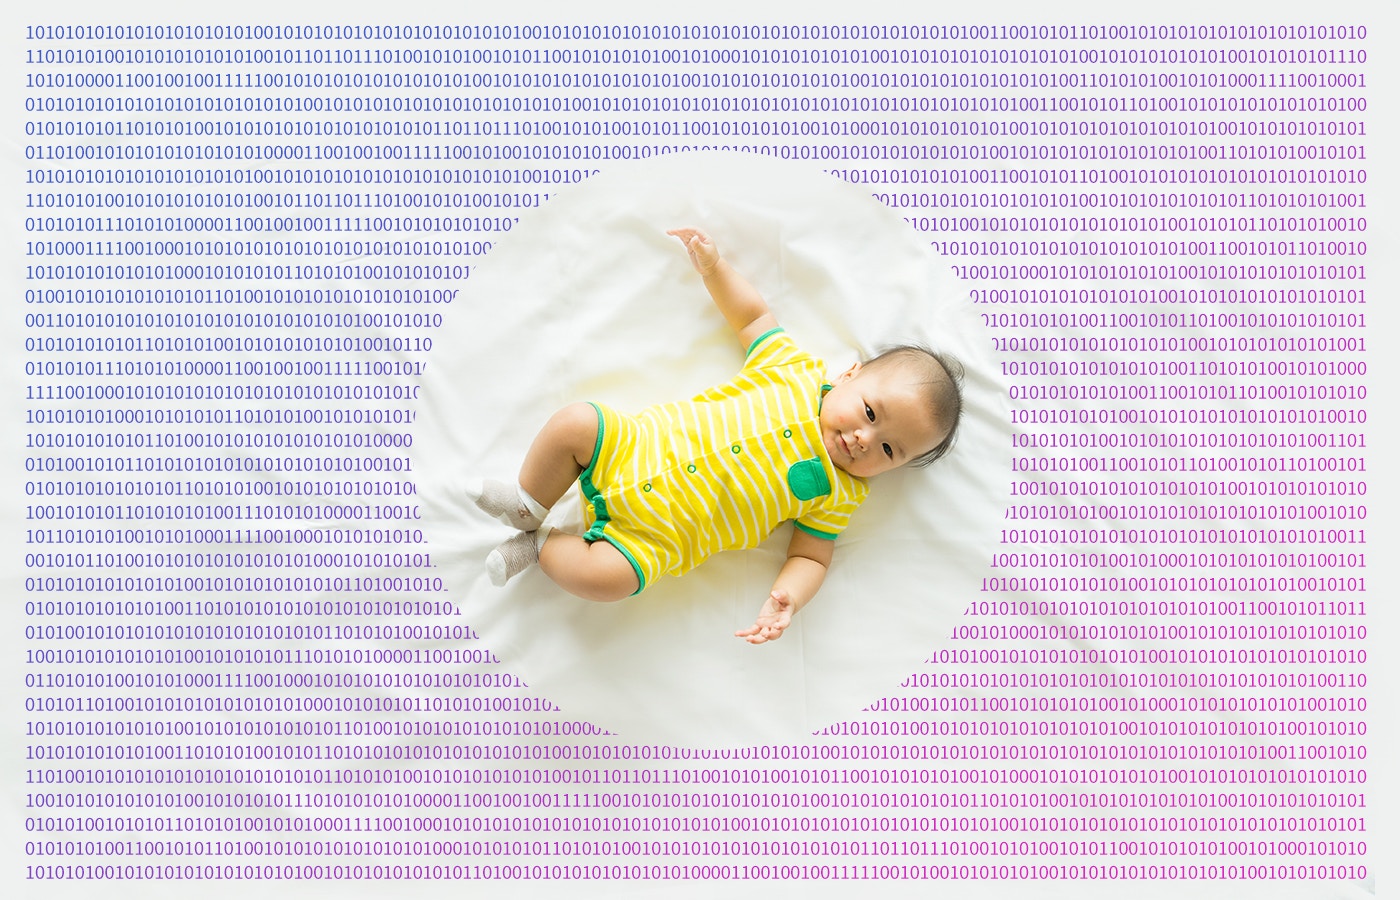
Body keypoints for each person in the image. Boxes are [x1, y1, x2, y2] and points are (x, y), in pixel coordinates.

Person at [466, 227, 963, 644]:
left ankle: (537, 548)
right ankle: (529, 503)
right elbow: (753, 318)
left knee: (607, 581)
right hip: (633, 447)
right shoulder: (792, 371)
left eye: (889, 450)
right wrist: (714, 268)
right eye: (871, 413)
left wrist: (788, 597)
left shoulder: (839, 496)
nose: (863, 439)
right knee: (576, 422)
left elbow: (811, 555)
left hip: (655, 538)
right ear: (850, 375)